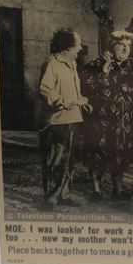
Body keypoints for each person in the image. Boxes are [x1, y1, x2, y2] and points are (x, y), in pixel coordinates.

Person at [38, 28, 92, 207]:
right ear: (67, 47)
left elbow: (73, 91)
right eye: (78, 45)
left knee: (70, 161)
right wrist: (68, 102)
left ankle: (64, 195)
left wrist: (82, 103)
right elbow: (45, 91)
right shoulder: (52, 63)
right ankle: (51, 199)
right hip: (58, 121)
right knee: (57, 160)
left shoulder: (72, 64)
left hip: (74, 119)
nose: (80, 49)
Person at [82, 31, 133, 201]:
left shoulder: (131, 67)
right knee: (97, 154)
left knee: (120, 154)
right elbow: (85, 88)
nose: (125, 49)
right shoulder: (95, 64)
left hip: (123, 120)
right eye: (121, 45)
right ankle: (96, 190)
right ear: (111, 47)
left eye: (128, 46)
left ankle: (118, 190)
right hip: (100, 118)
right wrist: (103, 72)